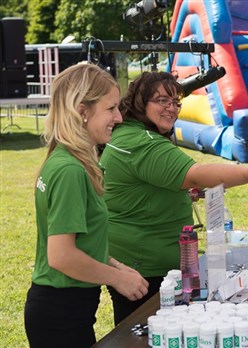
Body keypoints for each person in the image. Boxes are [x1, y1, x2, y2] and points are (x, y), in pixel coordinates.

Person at [100, 71, 248, 325]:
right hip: (145, 269)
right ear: (140, 102)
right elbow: (195, 175)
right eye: (162, 101)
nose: (171, 109)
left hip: (136, 261)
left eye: (175, 102)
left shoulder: (130, 133)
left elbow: (146, 186)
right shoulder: (143, 143)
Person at [24, 63, 149, 347]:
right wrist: (117, 279)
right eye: (111, 108)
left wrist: (115, 264)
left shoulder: (67, 160)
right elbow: (62, 256)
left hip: (66, 309)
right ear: (82, 111)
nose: (118, 118)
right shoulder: (70, 170)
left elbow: (79, 241)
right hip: (60, 314)